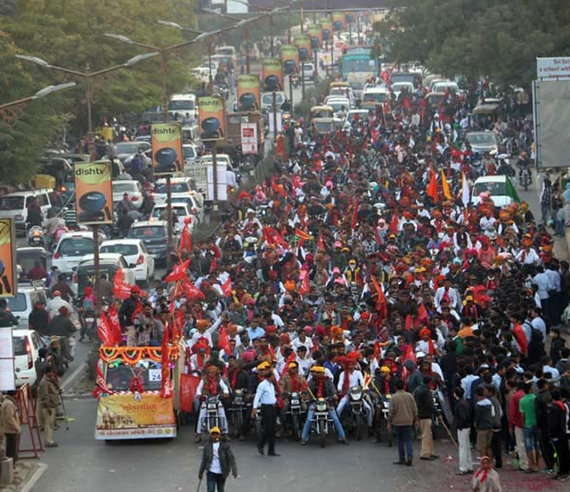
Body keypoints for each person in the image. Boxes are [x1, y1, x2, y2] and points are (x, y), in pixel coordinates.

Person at [301, 365, 347, 445]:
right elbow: (307, 392)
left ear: (322, 373)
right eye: (315, 373)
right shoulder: (312, 381)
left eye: (318, 373)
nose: (316, 374)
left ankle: (342, 437)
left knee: (335, 418)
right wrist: (306, 397)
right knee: (309, 419)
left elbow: (333, 390)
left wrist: (334, 395)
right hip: (314, 402)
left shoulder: (328, 381)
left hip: (327, 402)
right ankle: (304, 438)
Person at [252, 361, 279, 456]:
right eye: (273, 376)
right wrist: (254, 408)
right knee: (268, 429)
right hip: (266, 408)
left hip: (272, 407)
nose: (274, 378)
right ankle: (260, 444)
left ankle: (271, 450)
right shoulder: (262, 385)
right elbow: (257, 397)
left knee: (273, 430)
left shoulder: (271, 385)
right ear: (270, 377)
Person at [198, 426, 238, 492]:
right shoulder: (207, 446)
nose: (215, 436)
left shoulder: (225, 446)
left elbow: (231, 458)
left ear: (219, 435)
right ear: (210, 435)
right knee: (210, 490)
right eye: (213, 434)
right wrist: (201, 472)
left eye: (216, 434)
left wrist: (234, 471)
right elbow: (204, 460)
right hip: (211, 472)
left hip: (222, 473)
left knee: (221, 489)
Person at [389, 378, 418, 466]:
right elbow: (415, 409)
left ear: (395, 387)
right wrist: (416, 420)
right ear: (404, 386)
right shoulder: (410, 396)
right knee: (408, 440)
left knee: (400, 441)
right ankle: (409, 457)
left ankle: (402, 459)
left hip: (397, 422)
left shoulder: (394, 397)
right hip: (408, 421)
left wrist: (389, 422)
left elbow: (391, 411)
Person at [414, 375, 438, 460]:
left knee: (428, 434)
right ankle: (425, 453)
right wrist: (436, 412)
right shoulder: (426, 391)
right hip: (425, 414)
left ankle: (430, 451)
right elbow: (429, 404)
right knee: (426, 435)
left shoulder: (418, 389)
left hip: (420, 414)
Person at [519, 382, 539, 473]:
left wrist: (523, 424)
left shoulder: (522, 400)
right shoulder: (535, 398)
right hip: (536, 423)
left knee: (528, 446)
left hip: (527, 424)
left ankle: (531, 464)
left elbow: (522, 415)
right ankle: (537, 464)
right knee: (536, 444)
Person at [38, 367, 60, 447]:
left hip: (51, 405)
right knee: (48, 424)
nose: (53, 374)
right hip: (48, 406)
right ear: (47, 373)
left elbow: (53, 391)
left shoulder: (49, 381)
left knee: (50, 424)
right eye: (51, 372)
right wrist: (47, 407)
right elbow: (45, 396)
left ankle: (50, 440)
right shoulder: (44, 382)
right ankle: (48, 441)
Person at [454, 386, 474, 475]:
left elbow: (462, 417)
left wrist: (459, 425)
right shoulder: (465, 402)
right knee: (466, 447)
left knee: (462, 447)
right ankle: (469, 466)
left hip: (462, 427)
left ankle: (463, 467)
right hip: (467, 427)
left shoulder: (460, 404)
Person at [0, 391, 20, 465]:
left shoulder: (6, 402)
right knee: (12, 449)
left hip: (7, 428)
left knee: (10, 448)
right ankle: (12, 466)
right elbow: (9, 418)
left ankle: (12, 465)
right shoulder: (9, 403)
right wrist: (17, 428)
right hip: (11, 429)